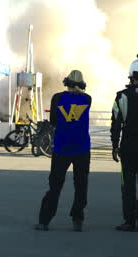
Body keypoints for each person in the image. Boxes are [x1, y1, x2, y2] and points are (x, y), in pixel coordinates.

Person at [35, 70, 91, 232]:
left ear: (66, 82)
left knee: (55, 185)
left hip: (62, 148)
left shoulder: (57, 98)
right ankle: (77, 219)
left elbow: (53, 121)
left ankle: (44, 221)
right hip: (82, 148)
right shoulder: (87, 99)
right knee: (81, 185)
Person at [111, 55, 138, 232]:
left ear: (131, 75)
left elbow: (115, 123)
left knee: (128, 185)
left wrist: (115, 145)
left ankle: (129, 221)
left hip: (128, 147)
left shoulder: (120, 97)